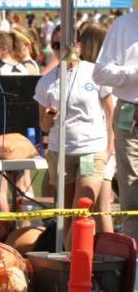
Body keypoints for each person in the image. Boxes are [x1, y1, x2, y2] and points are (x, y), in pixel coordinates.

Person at [36, 24, 113, 247]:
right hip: (62, 152)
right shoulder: (46, 81)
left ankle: (74, 261)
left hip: (91, 149)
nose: (61, 49)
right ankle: (70, 265)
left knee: (82, 208)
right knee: (67, 212)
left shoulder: (95, 72)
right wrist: (50, 118)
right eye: (56, 45)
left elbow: (110, 111)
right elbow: (42, 124)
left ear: (78, 47)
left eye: (66, 44)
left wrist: (110, 145)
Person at [93, 8, 138, 240]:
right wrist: (133, 73)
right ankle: (135, 260)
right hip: (130, 111)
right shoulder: (123, 25)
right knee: (131, 190)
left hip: (129, 110)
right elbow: (100, 73)